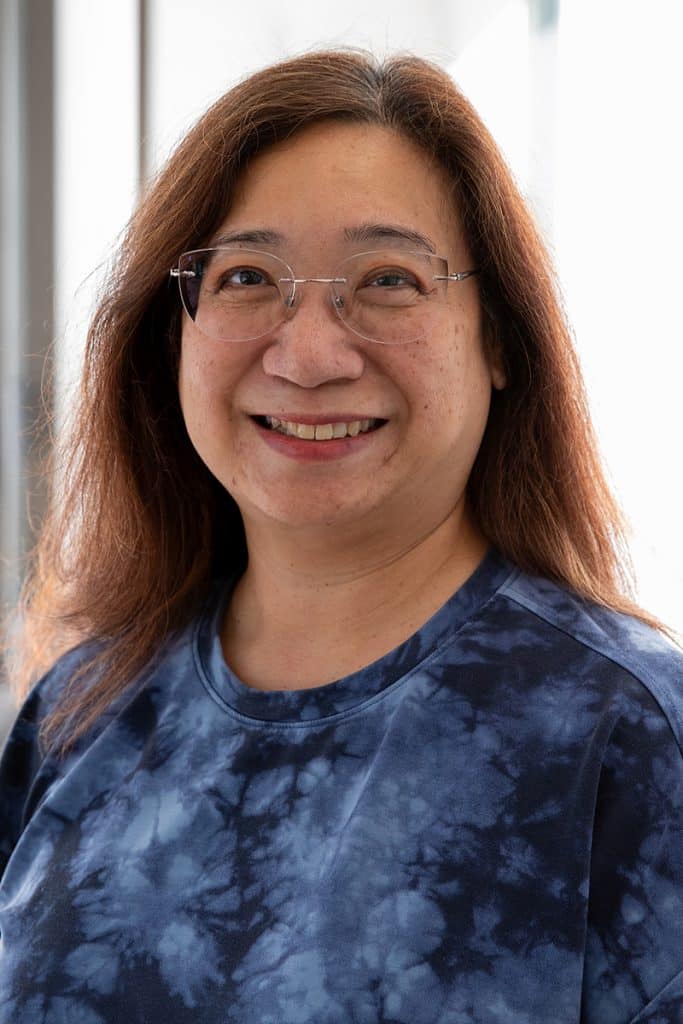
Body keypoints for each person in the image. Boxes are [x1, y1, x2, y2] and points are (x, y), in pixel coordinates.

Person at [0, 48, 681, 1024]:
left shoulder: (629, 735)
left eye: (388, 280)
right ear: (172, 335)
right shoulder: (80, 710)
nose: (311, 353)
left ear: (497, 338)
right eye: (245, 276)